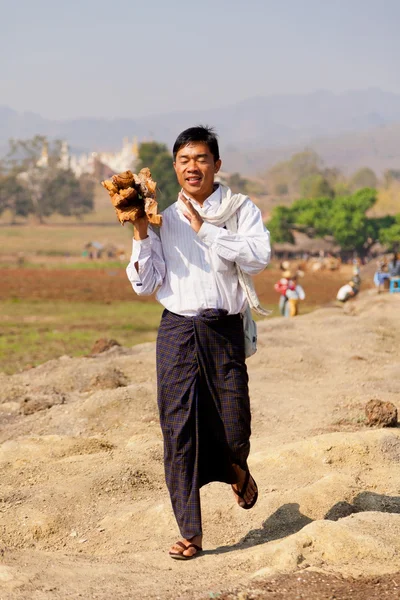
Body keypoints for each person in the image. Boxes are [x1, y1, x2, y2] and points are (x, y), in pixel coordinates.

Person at [126, 126, 271, 560]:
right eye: (185, 160)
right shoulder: (162, 219)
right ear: (175, 168)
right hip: (177, 330)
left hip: (223, 330)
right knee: (178, 432)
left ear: (217, 165)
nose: (194, 167)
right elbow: (145, 283)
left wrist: (205, 229)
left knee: (233, 424)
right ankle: (192, 532)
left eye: (202, 159)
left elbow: (258, 257)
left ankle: (235, 467)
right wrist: (138, 230)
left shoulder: (240, 210)